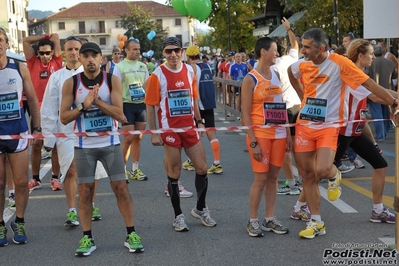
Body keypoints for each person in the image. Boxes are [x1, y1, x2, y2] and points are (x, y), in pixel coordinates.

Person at [287, 28, 396, 239]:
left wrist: (395, 101)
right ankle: (316, 221)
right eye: (303, 46)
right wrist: (302, 97)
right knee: (308, 175)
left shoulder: (340, 63)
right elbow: (292, 73)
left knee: (323, 168)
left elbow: (371, 87)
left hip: (330, 126)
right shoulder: (302, 63)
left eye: (307, 47)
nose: (303, 50)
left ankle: (333, 174)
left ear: (321, 48)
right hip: (305, 125)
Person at [60, 42, 143, 256]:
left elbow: (120, 114)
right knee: (86, 191)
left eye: (93, 56)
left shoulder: (112, 80)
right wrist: (83, 106)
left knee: (121, 188)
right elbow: (64, 117)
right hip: (84, 146)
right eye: (85, 56)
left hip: (110, 143)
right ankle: (87, 237)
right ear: (79, 59)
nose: (89, 60)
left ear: (101, 59)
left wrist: (96, 101)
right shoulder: (71, 83)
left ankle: (131, 233)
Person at [145, 37, 217, 232]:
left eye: (176, 50)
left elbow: (193, 99)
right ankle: (178, 216)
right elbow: (150, 105)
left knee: (202, 167)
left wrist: (200, 121)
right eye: (169, 51)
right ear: (164, 53)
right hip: (170, 130)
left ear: (182, 51)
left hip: (189, 128)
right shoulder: (157, 75)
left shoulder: (189, 70)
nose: (173, 55)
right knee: (174, 172)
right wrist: (154, 132)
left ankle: (200, 209)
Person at [41, 36, 103, 227]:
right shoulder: (56, 77)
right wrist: (49, 137)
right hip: (66, 129)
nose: (74, 52)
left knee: (93, 170)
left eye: (77, 49)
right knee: (70, 169)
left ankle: (91, 204)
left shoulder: (95, 74)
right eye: (70, 49)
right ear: (64, 52)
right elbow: (50, 107)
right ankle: (72, 210)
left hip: (91, 128)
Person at [334, 39, 395, 223]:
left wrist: (374, 143)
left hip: (356, 131)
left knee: (381, 165)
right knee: (319, 172)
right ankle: (300, 206)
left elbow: (365, 114)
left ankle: (377, 210)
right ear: (360, 55)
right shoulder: (352, 75)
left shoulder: (361, 74)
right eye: (369, 53)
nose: (372, 56)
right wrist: (396, 100)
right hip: (343, 131)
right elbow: (378, 95)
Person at [241, 36, 291, 237]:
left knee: (274, 178)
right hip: (260, 134)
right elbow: (244, 114)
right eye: (275, 51)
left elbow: (282, 105)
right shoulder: (250, 79)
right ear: (263, 52)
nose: (277, 54)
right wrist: (253, 141)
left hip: (279, 134)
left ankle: (269, 218)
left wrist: (287, 132)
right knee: (260, 179)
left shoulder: (277, 72)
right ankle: (253, 220)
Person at [0, 27, 41, 246]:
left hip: (17, 132)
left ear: (7, 44)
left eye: (0, 40)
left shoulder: (20, 67)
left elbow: (33, 99)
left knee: (22, 182)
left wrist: (37, 126)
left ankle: (20, 221)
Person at [23, 33, 63, 191]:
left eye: (48, 52)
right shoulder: (33, 62)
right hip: (38, 109)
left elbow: (56, 39)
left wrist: (52, 38)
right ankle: (35, 179)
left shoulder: (57, 61)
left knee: (54, 145)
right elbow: (25, 41)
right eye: (41, 53)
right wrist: (44, 36)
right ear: (37, 53)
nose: (45, 56)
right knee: (37, 144)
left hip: (54, 107)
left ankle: (55, 178)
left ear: (53, 53)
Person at [272, 17, 304, 196]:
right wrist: (289, 29)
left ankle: (291, 183)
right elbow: (295, 45)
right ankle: (301, 178)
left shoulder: (273, 66)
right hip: (297, 106)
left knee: (285, 147)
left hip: (282, 108)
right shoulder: (292, 58)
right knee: (298, 146)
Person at [183, 45, 223, 175]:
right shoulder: (206, 66)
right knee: (212, 134)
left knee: (193, 134)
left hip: (198, 105)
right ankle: (217, 163)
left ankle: (192, 161)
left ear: (188, 56)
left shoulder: (192, 67)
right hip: (209, 103)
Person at [113, 37, 149, 181]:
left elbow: (147, 85)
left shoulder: (143, 66)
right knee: (128, 138)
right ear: (126, 50)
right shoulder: (119, 67)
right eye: (134, 49)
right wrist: (118, 110)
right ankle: (122, 170)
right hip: (126, 105)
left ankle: (135, 169)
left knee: (138, 138)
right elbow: (115, 89)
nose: (137, 52)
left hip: (141, 105)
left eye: (139, 49)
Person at [368, 45, 396, 141]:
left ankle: (380, 134)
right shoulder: (389, 62)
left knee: (377, 114)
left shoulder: (370, 63)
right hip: (387, 89)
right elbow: (394, 75)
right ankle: (385, 132)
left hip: (374, 90)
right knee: (386, 113)